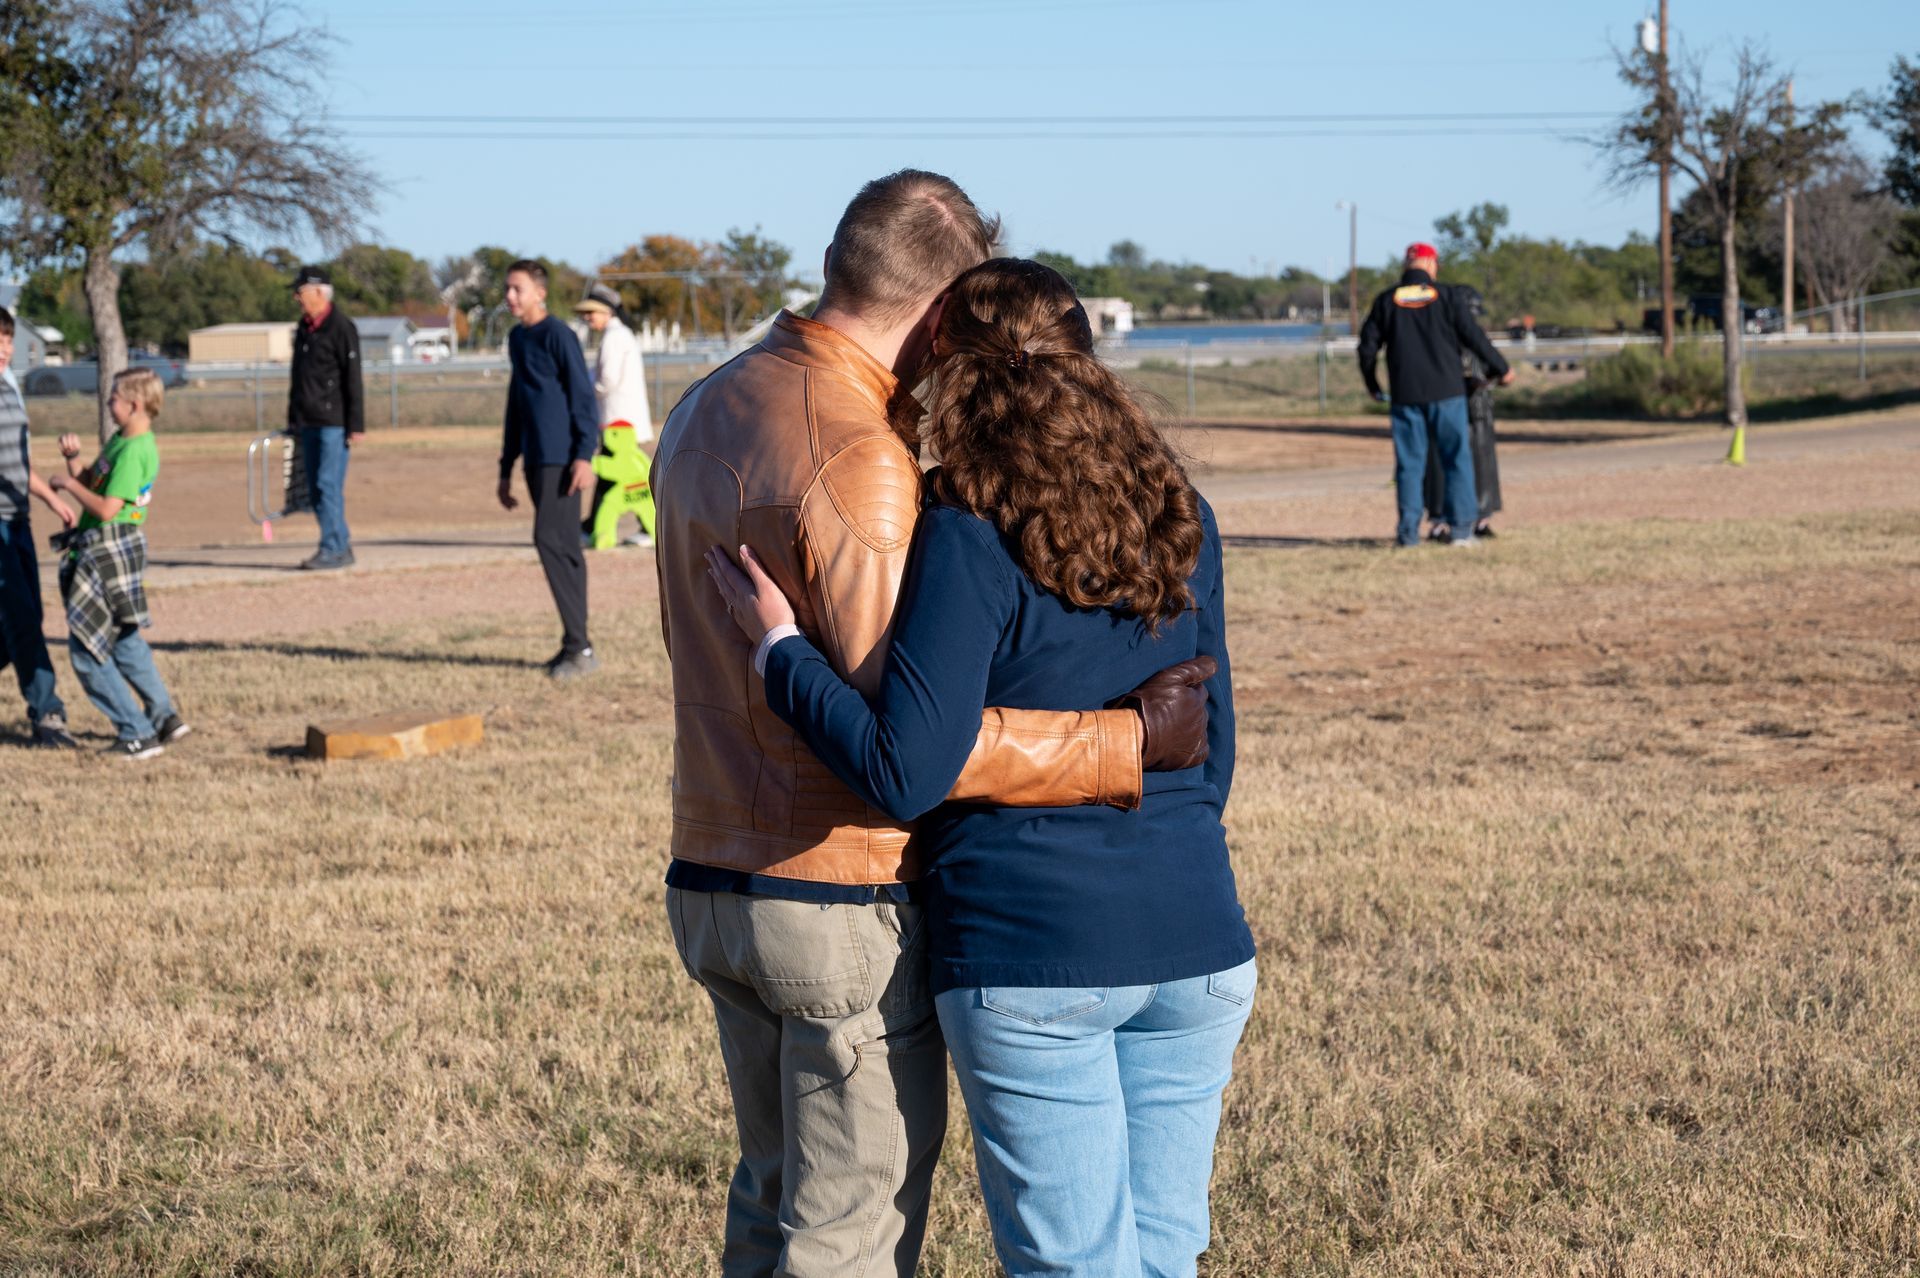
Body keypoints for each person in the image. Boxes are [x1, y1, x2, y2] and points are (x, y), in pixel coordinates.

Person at [652, 171, 1211, 1278]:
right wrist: (1124, 745)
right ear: (943, 305)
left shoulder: (709, 401)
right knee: (847, 1234)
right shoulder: (866, 459)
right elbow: (913, 744)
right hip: (834, 889)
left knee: (769, 1206)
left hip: (714, 868)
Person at [49, 368, 187, 759]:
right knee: (124, 639)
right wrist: (75, 462)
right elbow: (96, 483)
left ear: (134, 404)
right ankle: (164, 719)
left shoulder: (135, 450)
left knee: (86, 650)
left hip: (108, 551)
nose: (108, 403)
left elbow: (108, 509)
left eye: (113, 398)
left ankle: (136, 733)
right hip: (106, 548)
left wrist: (68, 485)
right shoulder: (120, 441)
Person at [1357, 242, 1513, 548]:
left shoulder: (1387, 301)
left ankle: (1408, 535)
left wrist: (1373, 385)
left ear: (1407, 265)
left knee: (1409, 466)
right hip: (1447, 393)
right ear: (1430, 264)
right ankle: (1461, 531)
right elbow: (1474, 337)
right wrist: (1501, 368)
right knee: (1456, 460)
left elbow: (1366, 349)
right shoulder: (1447, 296)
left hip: (1406, 396)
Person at [497, 259, 599, 680]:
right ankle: (576, 645)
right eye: (507, 289)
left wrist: (583, 455)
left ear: (539, 292)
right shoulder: (517, 339)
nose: (510, 296)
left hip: (564, 459)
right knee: (565, 551)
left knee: (550, 540)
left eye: (517, 288)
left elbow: (582, 397)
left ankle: (580, 647)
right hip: (535, 459)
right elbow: (516, 406)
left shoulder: (558, 335)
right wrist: (505, 467)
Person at [0, 306, 80, 748]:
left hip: (18, 519)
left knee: (24, 617)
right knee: (23, 618)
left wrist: (51, 498)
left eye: (9, 340)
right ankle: (47, 713)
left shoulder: (10, 390)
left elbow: (16, 465)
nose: (5, 349)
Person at [287, 265, 364, 571]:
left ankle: (333, 547)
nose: (297, 298)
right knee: (316, 488)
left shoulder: (342, 327)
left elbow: (353, 378)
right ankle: (339, 544)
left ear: (319, 292)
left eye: (301, 291)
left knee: (327, 483)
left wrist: (356, 423)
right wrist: (293, 416)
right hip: (308, 420)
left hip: (334, 422)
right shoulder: (304, 328)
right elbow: (297, 377)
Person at [572, 283, 654, 549]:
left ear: (607, 311)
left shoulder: (614, 338)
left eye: (592, 312)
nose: (588, 318)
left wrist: (584, 390)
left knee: (612, 472)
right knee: (621, 475)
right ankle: (598, 526)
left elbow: (606, 380)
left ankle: (593, 528)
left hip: (618, 422)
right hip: (623, 419)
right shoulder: (622, 335)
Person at [1421, 284, 1504, 540]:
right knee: (1449, 464)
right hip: (1456, 407)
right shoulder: (1453, 339)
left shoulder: (1458, 338)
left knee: (1479, 465)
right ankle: (1445, 521)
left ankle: (1475, 519)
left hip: (1473, 409)